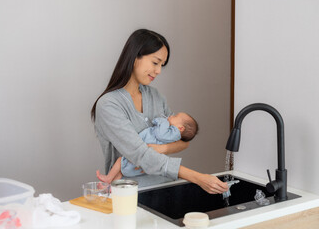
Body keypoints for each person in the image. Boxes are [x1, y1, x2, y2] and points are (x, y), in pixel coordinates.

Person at [91, 29, 228, 194]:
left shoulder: (156, 97)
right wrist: (197, 177)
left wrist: (161, 149)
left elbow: (183, 140)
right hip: (128, 195)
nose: (158, 71)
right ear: (135, 58)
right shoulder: (109, 105)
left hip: (164, 186)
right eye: (155, 63)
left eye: (161, 65)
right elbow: (141, 154)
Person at [96, 112, 199, 183]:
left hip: (143, 155)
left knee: (119, 162)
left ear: (180, 128)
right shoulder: (173, 134)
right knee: (121, 171)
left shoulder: (172, 132)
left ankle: (108, 179)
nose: (171, 115)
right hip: (145, 163)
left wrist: (161, 121)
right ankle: (110, 187)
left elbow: (160, 134)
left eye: (175, 116)